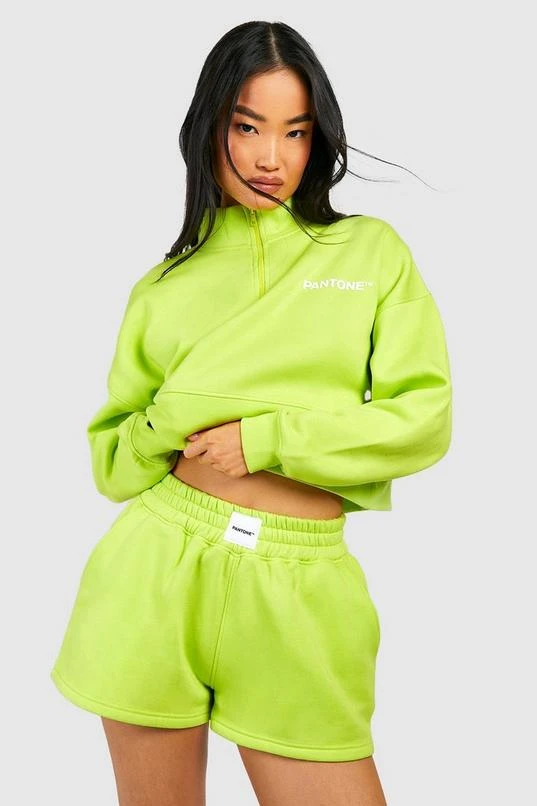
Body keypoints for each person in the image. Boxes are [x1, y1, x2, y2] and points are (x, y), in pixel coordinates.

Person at [50, 20, 452, 806]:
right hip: (155, 571)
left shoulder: (368, 253)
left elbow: (423, 418)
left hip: (300, 585)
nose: (272, 158)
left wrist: (266, 440)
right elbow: (114, 465)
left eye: (295, 132)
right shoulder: (163, 284)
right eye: (247, 128)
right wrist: (168, 423)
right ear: (209, 128)